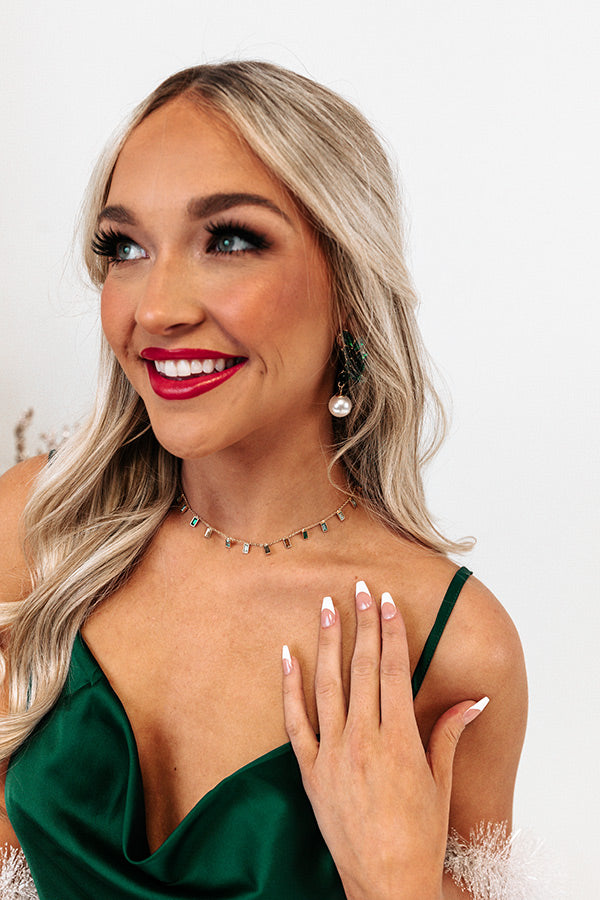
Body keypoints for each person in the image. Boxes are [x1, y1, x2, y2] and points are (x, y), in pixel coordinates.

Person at [0, 61, 527, 899]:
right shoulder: (36, 532)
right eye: (125, 247)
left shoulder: (453, 647)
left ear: (349, 284)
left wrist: (397, 883)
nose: (156, 308)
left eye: (230, 240)